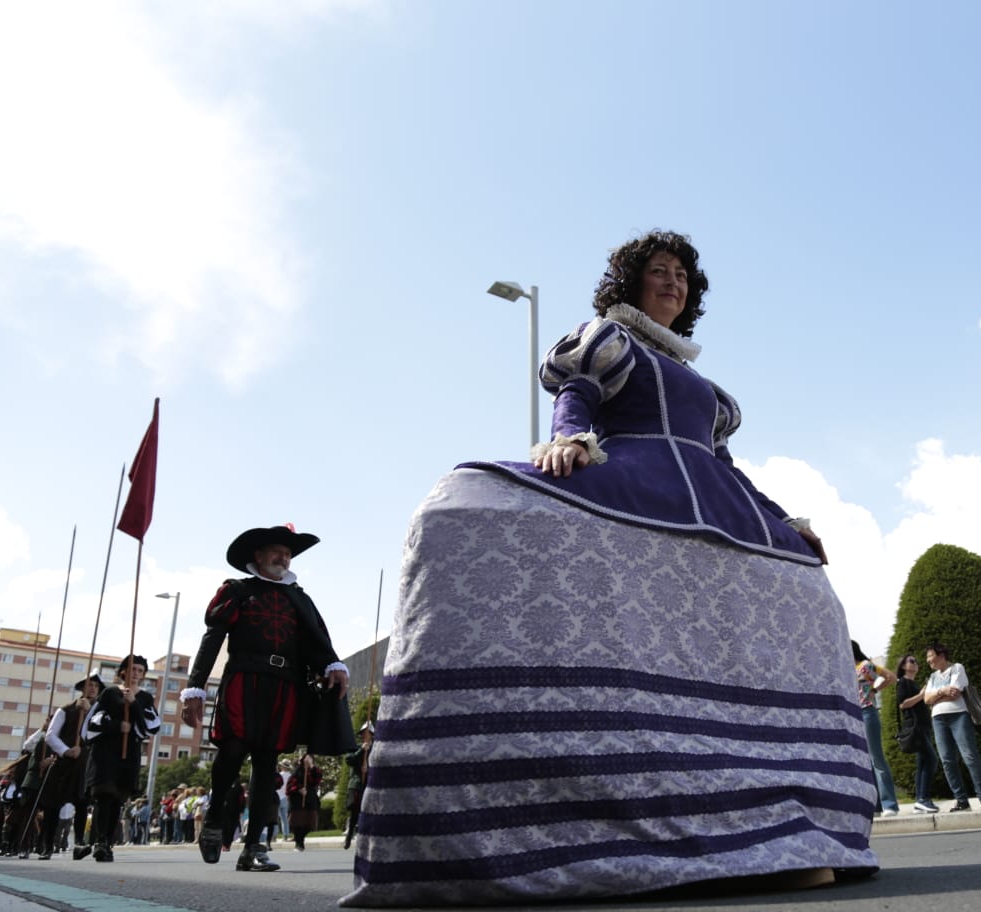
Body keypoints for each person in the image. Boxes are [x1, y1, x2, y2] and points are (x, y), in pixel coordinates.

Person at [342, 230, 878, 908]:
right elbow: (578, 395)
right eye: (660, 271)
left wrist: (784, 518)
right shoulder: (607, 339)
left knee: (808, 585)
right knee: (457, 508)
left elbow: (725, 465)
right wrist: (569, 439)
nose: (674, 283)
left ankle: (787, 823)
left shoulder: (705, 386)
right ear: (632, 282)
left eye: (683, 276)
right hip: (635, 473)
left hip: (713, 497)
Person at [181, 524, 350, 873]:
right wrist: (194, 688)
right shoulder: (237, 591)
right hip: (243, 681)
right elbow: (212, 639)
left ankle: (253, 846)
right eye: (277, 551)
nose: (284, 557)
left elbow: (315, 642)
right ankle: (214, 818)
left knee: (266, 764)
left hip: (285, 686)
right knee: (230, 753)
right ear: (257, 556)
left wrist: (332, 664)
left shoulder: (298, 597)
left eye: (288, 553)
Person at [81, 654, 159, 861]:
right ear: (123, 671)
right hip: (106, 752)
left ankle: (109, 842)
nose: (136, 674)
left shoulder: (145, 698)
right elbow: (93, 722)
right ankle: (100, 841)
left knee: (117, 799)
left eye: (140, 671)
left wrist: (133, 704)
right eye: (132, 669)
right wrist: (117, 726)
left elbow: (150, 726)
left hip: (129, 754)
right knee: (104, 796)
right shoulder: (109, 693)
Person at [923, 642, 981, 812]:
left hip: (958, 716)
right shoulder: (932, 677)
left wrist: (936, 696)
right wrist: (942, 692)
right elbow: (926, 700)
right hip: (938, 719)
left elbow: (955, 693)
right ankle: (961, 800)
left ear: (941, 655)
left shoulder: (957, 668)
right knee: (947, 760)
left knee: (970, 756)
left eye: (930, 656)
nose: (928, 660)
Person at [40, 674, 101, 859]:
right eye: (89, 685)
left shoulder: (98, 712)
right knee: (52, 808)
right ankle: (47, 845)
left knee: (82, 806)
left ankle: (80, 844)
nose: (92, 689)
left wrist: (90, 714)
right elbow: (50, 735)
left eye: (95, 686)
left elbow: (100, 733)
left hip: (85, 765)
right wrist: (66, 750)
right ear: (82, 688)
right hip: (63, 765)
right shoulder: (65, 710)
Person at [852, 641, 900, 817]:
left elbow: (891, 677)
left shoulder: (865, 666)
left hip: (867, 712)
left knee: (876, 758)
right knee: (864, 762)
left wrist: (875, 688)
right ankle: (876, 805)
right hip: (853, 715)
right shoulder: (843, 668)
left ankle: (890, 804)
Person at [894, 654, 939, 814]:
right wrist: (921, 695)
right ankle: (923, 799)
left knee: (922, 763)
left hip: (924, 727)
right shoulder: (903, 683)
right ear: (903, 666)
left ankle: (920, 801)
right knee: (932, 759)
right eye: (912, 661)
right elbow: (903, 704)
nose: (916, 663)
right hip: (915, 727)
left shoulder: (912, 683)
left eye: (916, 661)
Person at [343, 721, 373, 850]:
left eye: (368, 733)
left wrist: (368, 768)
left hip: (370, 783)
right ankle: (349, 836)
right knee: (355, 812)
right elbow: (349, 760)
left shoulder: (376, 749)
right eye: (363, 734)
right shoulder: (355, 747)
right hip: (357, 784)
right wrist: (362, 750)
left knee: (369, 812)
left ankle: (366, 838)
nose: (365, 736)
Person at [286, 752, 322, 851]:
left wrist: (311, 767)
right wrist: (299, 789)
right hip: (297, 800)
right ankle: (298, 843)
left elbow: (317, 780)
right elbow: (290, 786)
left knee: (309, 822)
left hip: (310, 799)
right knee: (297, 823)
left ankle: (301, 839)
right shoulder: (297, 771)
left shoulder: (315, 771)